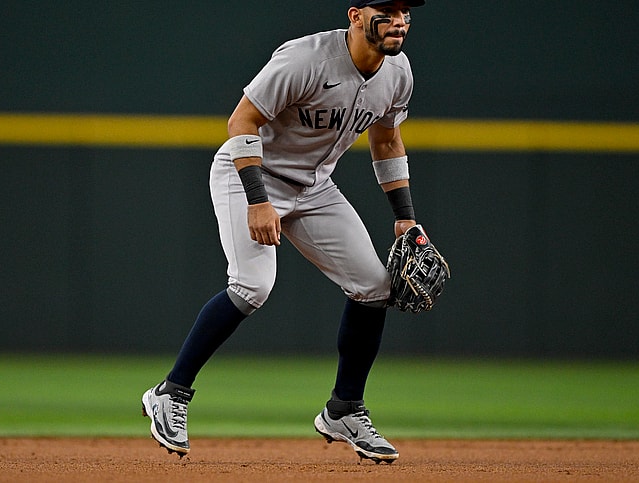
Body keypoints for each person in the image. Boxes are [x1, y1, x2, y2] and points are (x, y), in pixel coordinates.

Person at [142, 0, 428, 464]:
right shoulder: (306, 59)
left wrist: (404, 214)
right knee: (253, 286)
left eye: (405, 13)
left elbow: (387, 139)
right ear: (355, 15)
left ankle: (344, 409)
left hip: (315, 187)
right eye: (387, 10)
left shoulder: (399, 73)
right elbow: (241, 121)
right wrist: (257, 199)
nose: (399, 20)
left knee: (374, 288)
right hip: (251, 175)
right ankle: (170, 393)